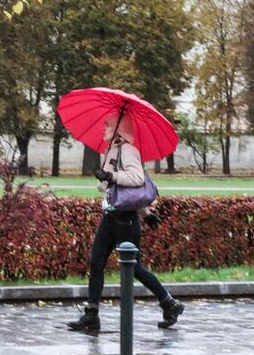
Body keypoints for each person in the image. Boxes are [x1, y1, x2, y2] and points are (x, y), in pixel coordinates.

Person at [67, 114, 184, 332]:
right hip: (110, 215)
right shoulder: (110, 150)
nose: (104, 129)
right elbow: (115, 189)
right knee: (95, 262)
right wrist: (104, 179)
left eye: (108, 125)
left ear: (119, 129)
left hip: (125, 220)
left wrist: (113, 179)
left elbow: (137, 180)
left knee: (135, 268)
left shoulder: (129, 150)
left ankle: (170, 303)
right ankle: (91, 315)